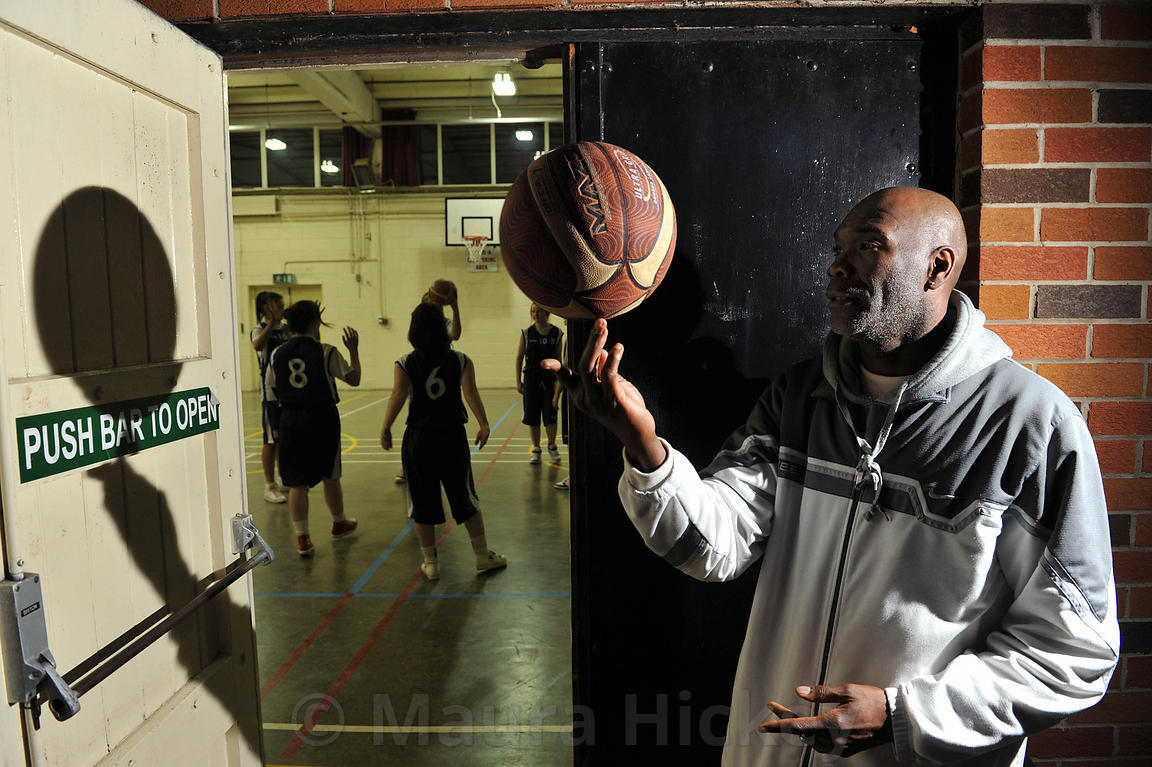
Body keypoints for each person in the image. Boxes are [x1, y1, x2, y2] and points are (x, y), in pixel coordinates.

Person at [546, 187, 1119, 765]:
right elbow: (712, 547)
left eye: (870, 245)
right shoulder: (798, 399)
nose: (837, 264)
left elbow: (1074, 650)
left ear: (937, 266)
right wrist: (643, 446)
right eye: (838, 246)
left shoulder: (1028, 425)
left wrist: (905, 717)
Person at [381, 302, 507, 581]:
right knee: (465, 495)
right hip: (452, 436)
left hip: (419, 438)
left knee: (422, 501)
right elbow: (470, 392)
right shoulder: (461, 359)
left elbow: (398, 396)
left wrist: (386, 426)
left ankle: (431, 563)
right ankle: (482, 554)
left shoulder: (405, 362)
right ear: (443, 327)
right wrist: (484, 423)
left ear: (413, 330)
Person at [266, 301, 361, 557]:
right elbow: (354, 379)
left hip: (290, 418)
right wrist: (353, 350)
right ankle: (338, 521)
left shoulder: (277, 353)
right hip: (322, 417)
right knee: (331, 475)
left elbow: (271, 389)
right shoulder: (326, 351)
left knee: (297, 482)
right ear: (314, 323)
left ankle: (302, 538)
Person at [395, 278, 463, 485]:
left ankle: (443, 464)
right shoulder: (422, 320)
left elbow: (456, 335)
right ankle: (407, 467)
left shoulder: (446, 324)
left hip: (442, 370)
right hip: (422, 370)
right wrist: (422, 306)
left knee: (442, 420)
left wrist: (455, 307)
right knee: (417, 420)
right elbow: (411, 336)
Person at [251, 291, 289, 504]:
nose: (283, 305)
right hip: (270, 393)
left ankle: (283, 478)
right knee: (270, 440)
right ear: (267, 306)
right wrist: (271, 323)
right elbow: (257, 345)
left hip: (287, 393)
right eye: (278, 303)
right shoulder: (259, 329)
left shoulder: (285, 330)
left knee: (283, 438)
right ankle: (269, 486)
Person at [515, 303, 564, 464]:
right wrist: (518, 381)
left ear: (547, 312)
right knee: (532, 415)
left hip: (549, 381)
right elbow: (519, 357)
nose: (536, 314)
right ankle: (536, 448)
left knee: (550, 414)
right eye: (533, 312)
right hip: (531, 380)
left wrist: (558, 387)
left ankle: (552, 446)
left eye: (539, 311)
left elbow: (559, 363)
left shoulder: (556, 333)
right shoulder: (527, 333)